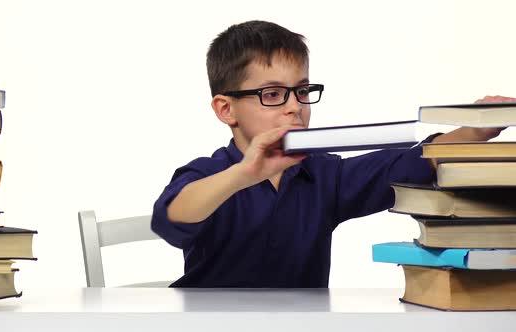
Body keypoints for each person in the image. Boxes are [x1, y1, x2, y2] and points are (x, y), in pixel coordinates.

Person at [151, 20, 515, 287]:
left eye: (302, 90)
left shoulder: (324, 176)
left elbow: (407, 163)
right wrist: (244, 174)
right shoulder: (208, 174)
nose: (295, 106)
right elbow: (171, 219)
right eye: (273, 94)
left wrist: (476, 129)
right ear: (226, 109)